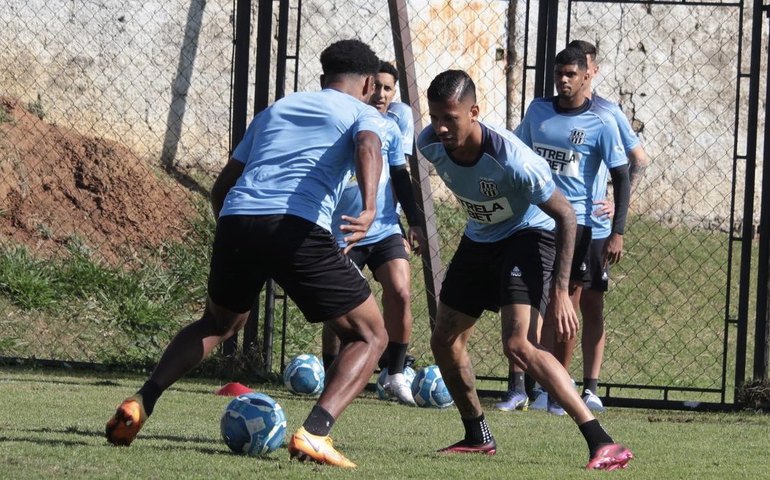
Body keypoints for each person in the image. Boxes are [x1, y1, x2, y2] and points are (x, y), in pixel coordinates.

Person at [105, 39, 390, 469]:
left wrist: (241, 234)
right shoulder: (365, 112)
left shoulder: (276, 110)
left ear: (322, 79)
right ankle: (315, 432)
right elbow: (368, 148)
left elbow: (222, 187)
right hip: (295, 225)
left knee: (219, 322)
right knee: (370, 334)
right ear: (369, 83)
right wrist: (369, 208)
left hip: (237, 217)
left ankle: (141, 402)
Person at [417, 69, 633, 470]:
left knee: (519, 345)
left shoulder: (512, 158)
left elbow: (565, 215)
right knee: (444, 339)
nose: (441, 127)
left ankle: (603, 441)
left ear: (475, 112)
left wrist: (561, 289)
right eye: (434, 117)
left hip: (529, 235)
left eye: (451, 118)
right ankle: (477, 435)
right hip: (480, 237)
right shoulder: (428, 145)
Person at [513, 47, 631, 416]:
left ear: (586, 77)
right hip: (534, 221)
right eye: (558, 74)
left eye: (570, 74)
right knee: (527, 301)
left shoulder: (601, 121)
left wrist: (618, 230)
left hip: (578, 228)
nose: (563, 81)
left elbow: (622, 175)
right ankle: (525, 385)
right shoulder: (538, 111)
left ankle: (557, 389)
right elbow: (517, 151)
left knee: (566, 308)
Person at [321, 61, 426, 406]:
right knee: (341, 304)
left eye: (388, 88)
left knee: (400, 289)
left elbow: (399, 174)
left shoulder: (395, 125)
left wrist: (413, 221)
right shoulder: (342, 119)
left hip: (382, 227)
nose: (381, 94)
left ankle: (395, 373)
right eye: (376, 86)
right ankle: (332, 371)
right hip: (344, 228)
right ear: (364, 87)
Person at [566, 39, 650, 411]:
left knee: (591, 305)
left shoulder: (608, 113)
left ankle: (591, 387)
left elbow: (639, 159)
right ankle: (548, 383)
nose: (573, 76)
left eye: (582, 67)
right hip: (554, 222)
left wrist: (616, 202)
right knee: (556, 301)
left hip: (594, 227)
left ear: (592, 70)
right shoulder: (548, 111)